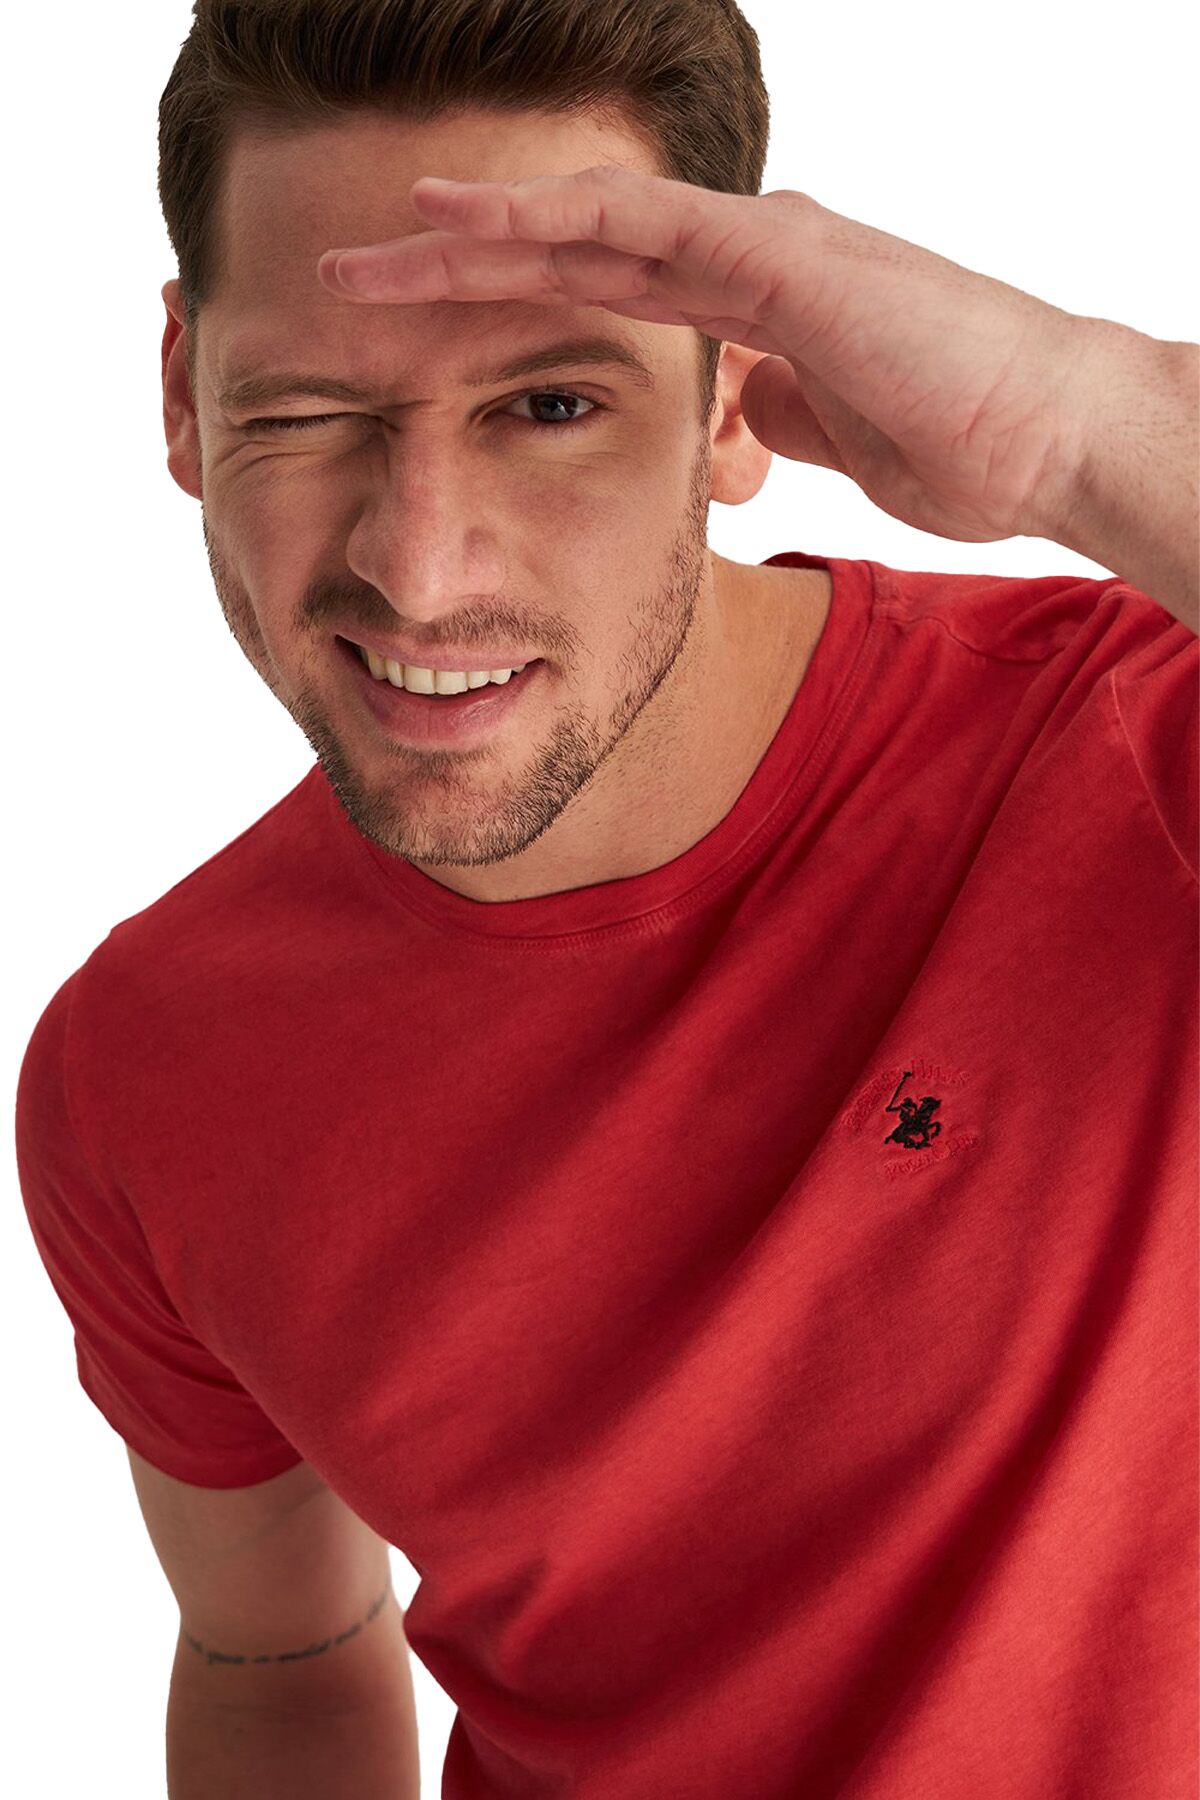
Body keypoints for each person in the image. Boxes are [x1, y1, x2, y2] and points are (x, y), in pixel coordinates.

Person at [14, 1, 1198, 1795]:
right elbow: (277, 1657)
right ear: (183, 391)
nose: (419, 567)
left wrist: (1094, 430)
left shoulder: (1136, 756)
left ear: (732, 393)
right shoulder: (140, 1068)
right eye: (311, 412)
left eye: (550, 405)